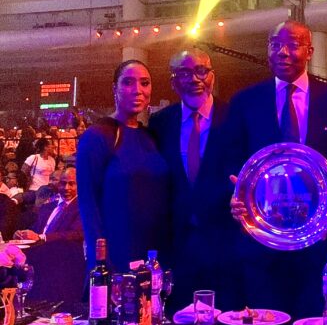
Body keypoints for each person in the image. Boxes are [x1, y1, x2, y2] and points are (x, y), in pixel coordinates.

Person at [227, 20, 327, 317]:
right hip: (262, 240)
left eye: (293, 45)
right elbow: (232, 161)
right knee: (265, 322)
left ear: (310, 51)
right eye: (275, 45)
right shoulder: (245, 101)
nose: (283, 52)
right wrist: (234, 196)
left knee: (315, 323)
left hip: (320, 239)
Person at [149, 48, 239, 311]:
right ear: (173, 81)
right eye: (184, 73)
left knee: (226, 320)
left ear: (212, 75)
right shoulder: (160, 122)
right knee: (178, 321)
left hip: (225, 244)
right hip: (177, 246)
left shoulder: (235, 117)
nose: (194, 79)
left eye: (201, 71)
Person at [77, 60, 171, 272]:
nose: (137, 90)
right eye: (128, 82)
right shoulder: (98, 136)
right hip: (116, 253)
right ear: (115, 89)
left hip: (157, 252)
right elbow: (88, 205)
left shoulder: (151, 136)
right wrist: (101, 263)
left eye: (144, 83)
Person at [14, 166, 83, 243]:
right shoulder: (48, 207)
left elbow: (75, 234)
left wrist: (42, 237)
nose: (66, 188)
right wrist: (22, 234)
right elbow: (36, 229)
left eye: (71, 184)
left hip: (61, 248)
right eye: (63, 183)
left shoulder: (84, 209)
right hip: (36, 247)